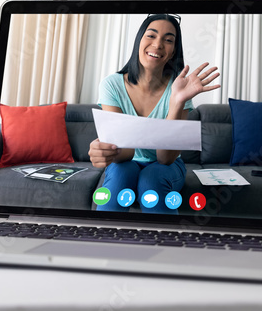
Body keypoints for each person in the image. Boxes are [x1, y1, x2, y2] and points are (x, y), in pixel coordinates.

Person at [90, 14, 219, 212]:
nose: (158, 45)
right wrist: (106, 150)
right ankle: (104, 239)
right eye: (151, 36)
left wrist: (177, 101)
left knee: (152, 180)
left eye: (168, 40)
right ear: (139, 40)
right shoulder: (112, 85)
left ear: (173, 50)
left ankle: (164, 241)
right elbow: (125, 153)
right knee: (120, 178)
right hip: (126, 161)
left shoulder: (180, 87)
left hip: (167, 166)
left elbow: (165, 158)